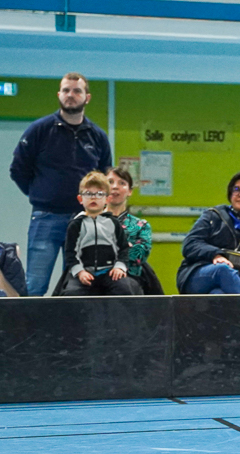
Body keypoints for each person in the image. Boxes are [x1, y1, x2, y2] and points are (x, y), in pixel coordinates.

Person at [9, 73, 112, 296]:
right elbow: (18, 169)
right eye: (66, 90)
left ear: (87, 97)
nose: (70, 96)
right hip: (46, 217)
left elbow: (104, 178)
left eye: (76, 91)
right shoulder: (39, 130)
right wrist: (39, 193)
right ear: (59, 94)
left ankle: (73, 331)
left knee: (78, 285)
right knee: (36, 285)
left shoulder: (98, 137)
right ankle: (28, 331)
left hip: (84, 221)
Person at [60, 172, 141, 296]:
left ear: (107, 199)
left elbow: (124, 249)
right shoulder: (75, 225)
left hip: (109, 272)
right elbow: (70, 253)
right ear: (80, 199)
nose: (94, 198)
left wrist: (119, 267)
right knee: (71, 293)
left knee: (125, 289)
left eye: (99, 194)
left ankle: (120, 316)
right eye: (88, 194)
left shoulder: (113, 223)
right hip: (84, 271)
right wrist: (80, 272)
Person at [106, 167, 163, 295]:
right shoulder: (88, 220)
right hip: (93, 275)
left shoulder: (140, 225)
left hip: (128, 275)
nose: (115, 187)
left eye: (122, 183)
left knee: (124, 288)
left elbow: (139, 254)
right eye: (110, 182)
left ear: (130, 191)